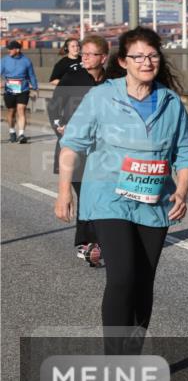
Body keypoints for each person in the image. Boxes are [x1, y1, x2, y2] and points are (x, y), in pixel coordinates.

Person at [54, 26, 188, 354]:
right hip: (108, 198)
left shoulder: (170, 102)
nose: (147, 62)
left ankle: (131, 352)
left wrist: (182, 192)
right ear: (123, 61)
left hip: (154, 201)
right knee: (121, 277)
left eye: (153, 56)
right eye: (139, 56)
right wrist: (64, 192)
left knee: (143, 282)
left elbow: (187, 152)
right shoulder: (102, 96)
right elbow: (72, 144)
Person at [48, 34, 109, 266]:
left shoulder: (113, 81)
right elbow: (55, 109)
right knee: (88, 193)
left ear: (103, 57)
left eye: (91, 54)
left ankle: (97, 240)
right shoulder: (72, 77)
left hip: (102, 150)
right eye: (83, 52)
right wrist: (60, 129)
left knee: (101, 194)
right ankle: (89, 243)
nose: (84, 57)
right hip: (72, 149)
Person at [1, 40, 39, 144]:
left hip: (23, 89)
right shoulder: (4, 60)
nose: (9, 50)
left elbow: (31, 75)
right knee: (11, 111)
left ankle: (21, 134)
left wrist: (35, 88)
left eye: (11, 49)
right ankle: (12, 131)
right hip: (9, 90)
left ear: (17, 49)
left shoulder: (26, 61)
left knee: (21, 109)